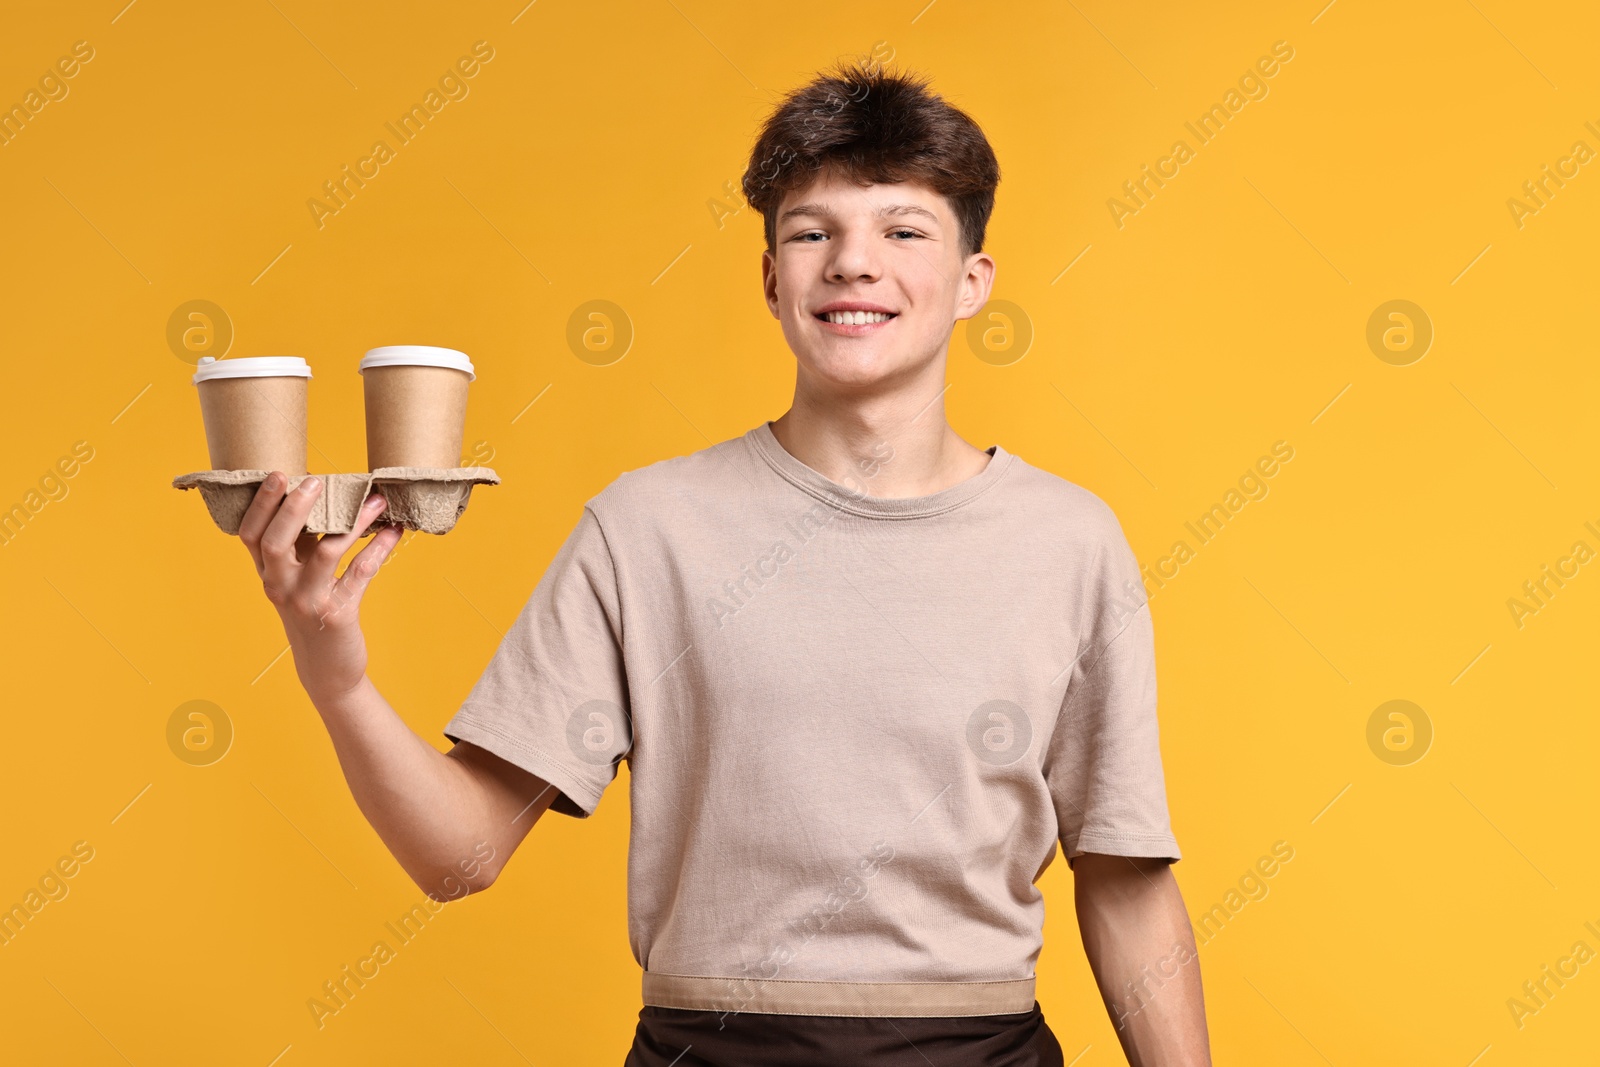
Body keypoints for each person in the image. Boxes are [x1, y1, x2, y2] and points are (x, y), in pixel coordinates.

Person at [237, 58, 1212, 1067]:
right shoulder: (645, 528)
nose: (852, 263)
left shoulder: (1069, 542)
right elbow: (460, 856)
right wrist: (335, 677)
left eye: (903, 230)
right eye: (811, 232)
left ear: (973, 281)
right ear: (769, 277)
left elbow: (1126, 875)